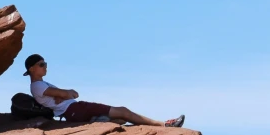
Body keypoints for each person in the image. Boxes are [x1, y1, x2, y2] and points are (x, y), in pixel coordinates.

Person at [22, 54, 183, 127]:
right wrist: (63, 94)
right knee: (123, 111)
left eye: (45, 64)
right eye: (42, 64)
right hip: (74, 109)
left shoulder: (43, 85)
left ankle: (97, 123)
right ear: (31, 68)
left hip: (74, 110)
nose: (45, 67)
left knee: (120, 120)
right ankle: (164, 125)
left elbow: (71, 94)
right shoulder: (37, 86)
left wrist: (63, 94)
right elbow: (67, 94)